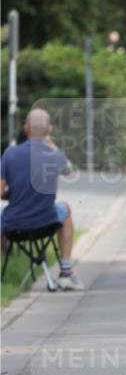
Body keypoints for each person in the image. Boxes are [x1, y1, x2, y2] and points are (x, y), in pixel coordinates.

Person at [0, 108, 82, 290]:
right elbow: (69, 171)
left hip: (14, 226)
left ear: (25, 128)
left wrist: (11, 195)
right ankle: (66, 271)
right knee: (66, 208)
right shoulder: (55, 156)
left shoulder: (9, 154)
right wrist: (54, 148)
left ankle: (3, 263)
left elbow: (0, 192)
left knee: (1, 215)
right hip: (47, 223)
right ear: (49, 129)